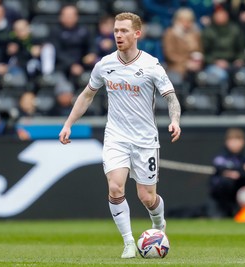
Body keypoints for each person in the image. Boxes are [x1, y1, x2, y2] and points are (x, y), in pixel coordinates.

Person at [58, 12, 181, 258]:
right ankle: (128, 242)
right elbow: (87, 95)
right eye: (116, 30)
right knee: (115, 188)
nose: (118, 35)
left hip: (145, 140)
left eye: (124, 30)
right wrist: (68, 123)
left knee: (147, 197)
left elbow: (171, 97)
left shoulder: (151, 65)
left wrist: (175, 120)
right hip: (116, 137)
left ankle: (158, 226)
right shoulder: (104, 65)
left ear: (137, 34)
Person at [208, 128, 245, 218]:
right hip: (222, 195)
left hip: (240, 189)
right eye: (232, 141)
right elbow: (221, 168)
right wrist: (244, 169)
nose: (235, 144)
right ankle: (222, 212)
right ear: (227, 142)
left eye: (238, 140)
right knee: (226, 182)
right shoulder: (221, 157)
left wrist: (238, 173)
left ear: (243, 142)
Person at [49, 5, 97, 80]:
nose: (70, 17)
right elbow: (57, 52)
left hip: (83, 64)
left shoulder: (84, 29)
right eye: (67, 15)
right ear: (61, 17)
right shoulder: (55, 31)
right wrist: (71, 64)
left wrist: (92, 54)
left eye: (72, 15)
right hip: (62, 67)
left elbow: (92, 44)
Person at [201, 6, 245, 83]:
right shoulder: (208, 32)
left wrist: (240, 59)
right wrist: (215, 62)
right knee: (221, 75)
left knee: (243, 76)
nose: (220, 17)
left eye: (223, 14)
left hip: (232, 63)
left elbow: (241, 49)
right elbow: (204, 53)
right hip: (214, 64)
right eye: (218, 14)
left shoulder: (235, 30)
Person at [163, 7, 203, 91]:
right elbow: (169, 54)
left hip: (194, 67)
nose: (187, 23)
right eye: (184, 21)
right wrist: (186, 63)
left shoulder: (195, 34)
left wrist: (196, 61)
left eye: (189, 21)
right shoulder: (170, 33)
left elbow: (199, 51)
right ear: (177, 21)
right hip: (176, 66)